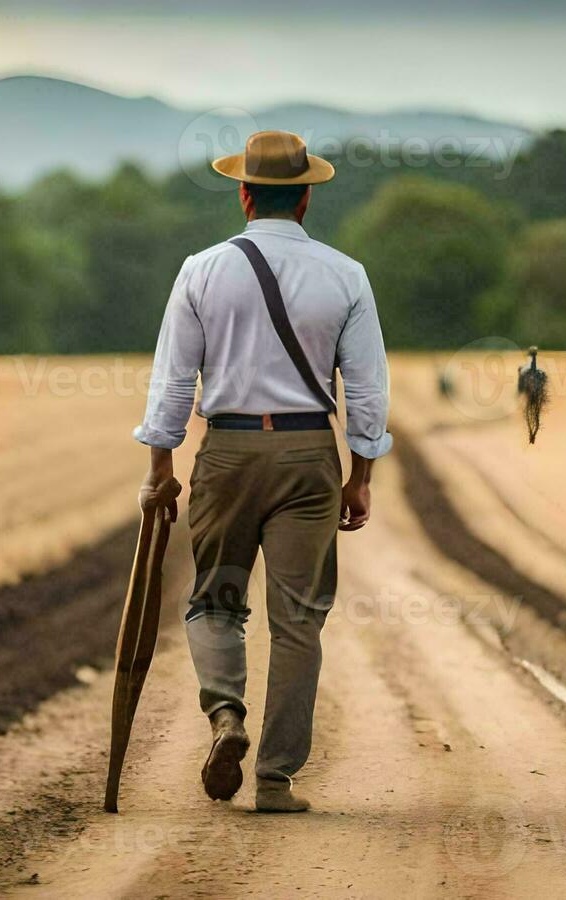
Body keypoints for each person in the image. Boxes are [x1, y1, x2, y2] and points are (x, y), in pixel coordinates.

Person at [133, 130, 393, 813]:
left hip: (226, 453)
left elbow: (172, 382)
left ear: (244, 195)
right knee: (299, 620)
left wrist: (159, 470)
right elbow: (367, 391)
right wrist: (361, 474)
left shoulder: (201, 269)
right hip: (309, 456)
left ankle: (225, 717)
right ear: (306, 199)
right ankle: (275, 779)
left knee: (214, 600)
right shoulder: (346, 275)